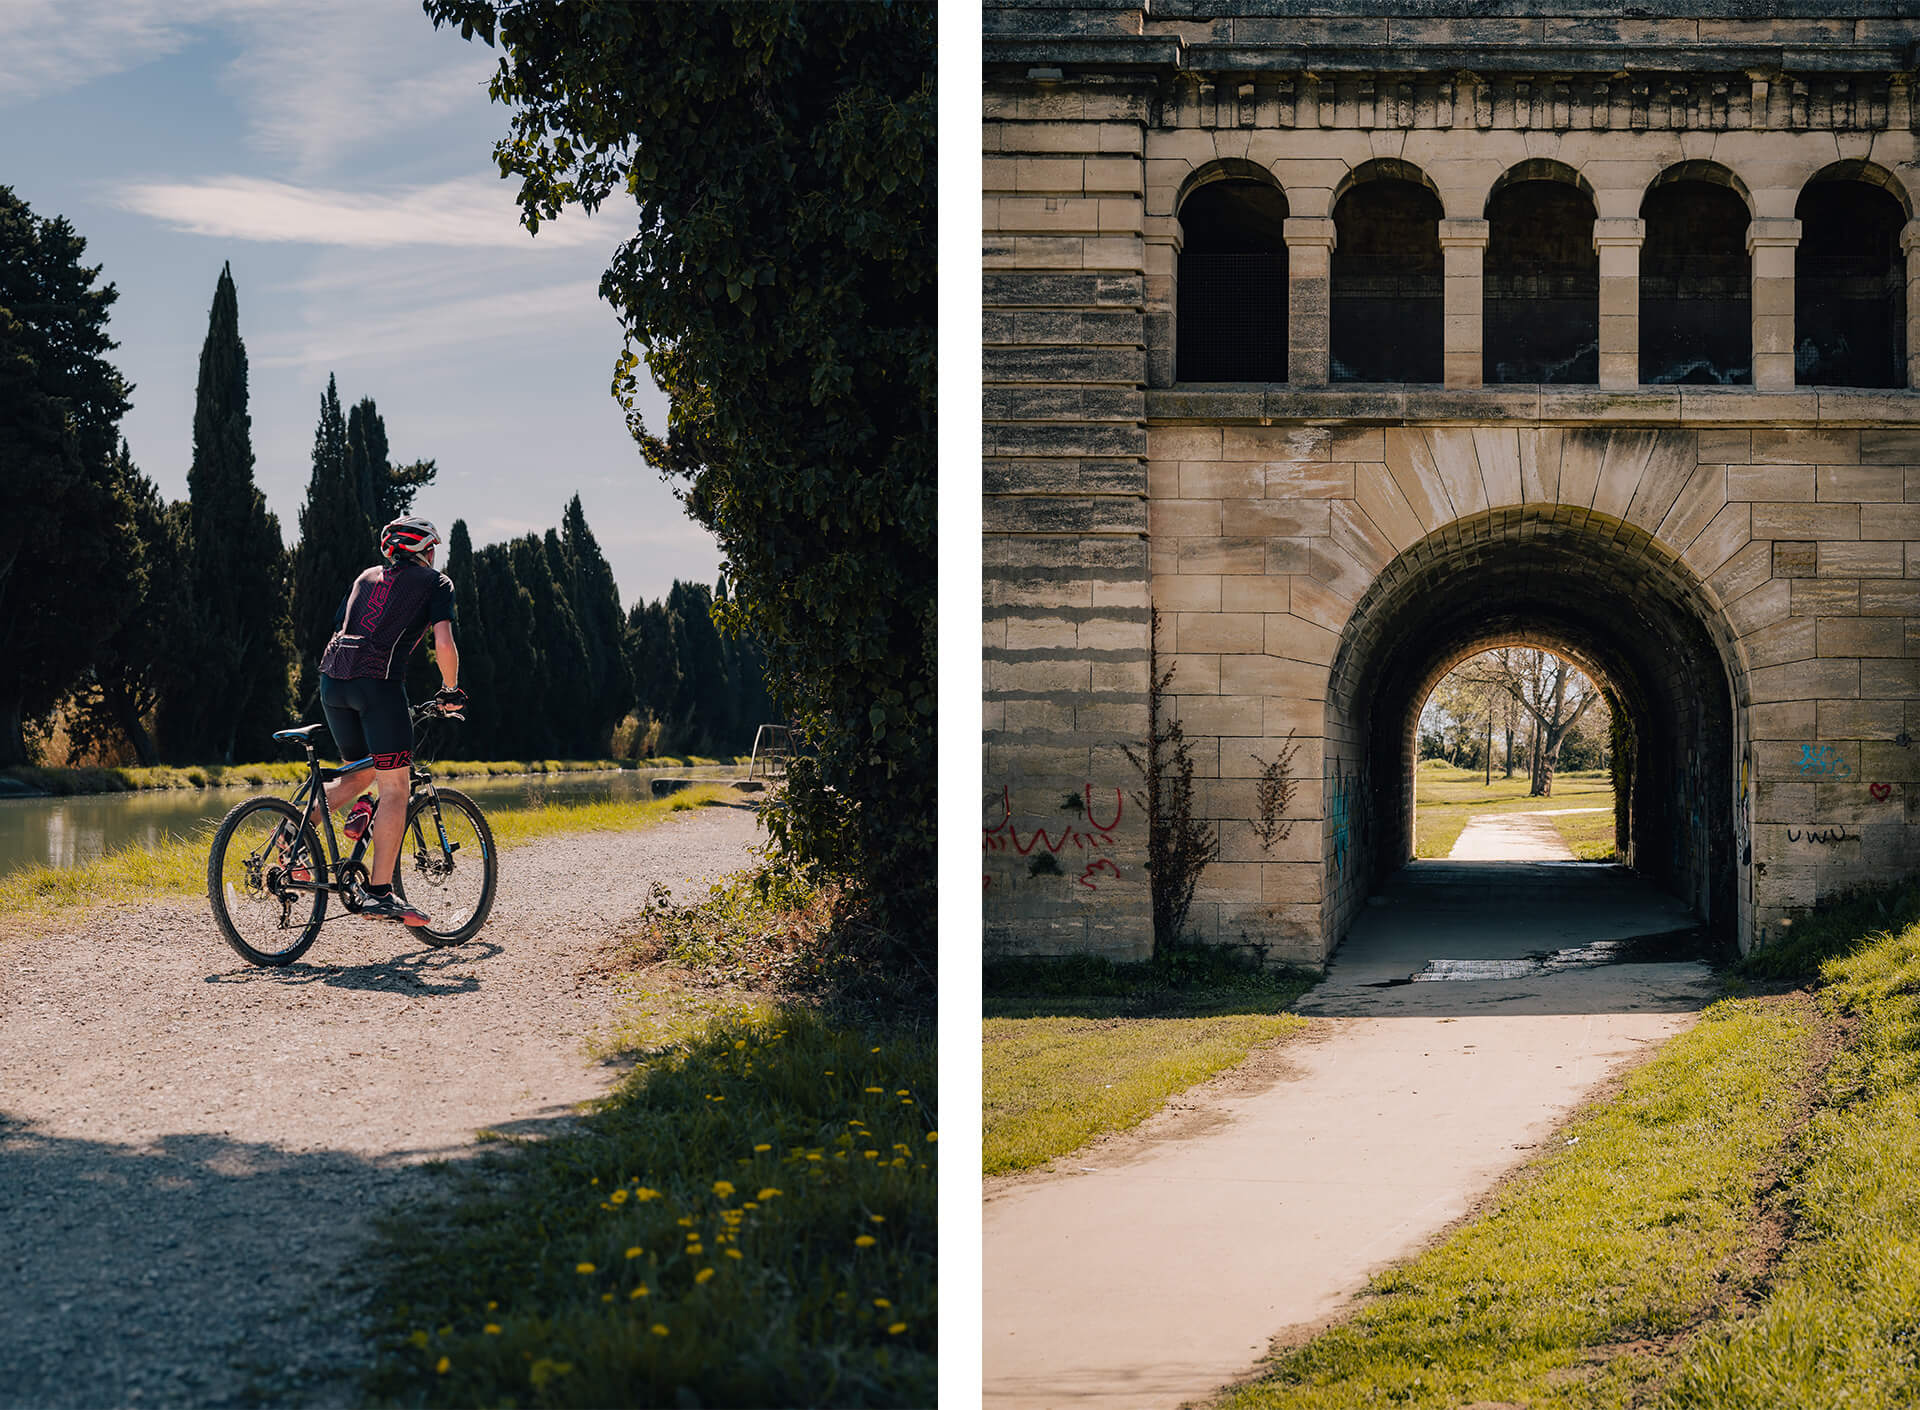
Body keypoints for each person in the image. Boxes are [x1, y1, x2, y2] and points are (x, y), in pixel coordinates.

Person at [308, 515, 467, 924]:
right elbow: (443, 641)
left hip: (332, 683)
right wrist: (450, 690)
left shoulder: (365, 577)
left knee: (358, 775)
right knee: (396, 786)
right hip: (377, 686)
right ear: (425, 550)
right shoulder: (436, 583)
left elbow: (347, 627)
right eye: (433, 549)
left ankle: (292, 839)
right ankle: (379, 893)